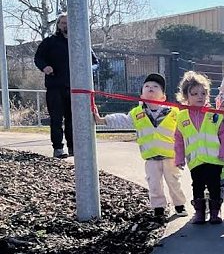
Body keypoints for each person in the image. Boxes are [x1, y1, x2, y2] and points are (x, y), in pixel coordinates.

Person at [92, 73, 186, 220]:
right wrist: (102, 120)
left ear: (163, 97)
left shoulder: (174, 112)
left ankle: (179, 205)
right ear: (141, 95)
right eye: (147, 86)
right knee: (154, 184)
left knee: (174, 181)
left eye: (156, 87)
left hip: (170, 156)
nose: (151, 88)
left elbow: (185, 128)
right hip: (151, 157)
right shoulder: (137, 113)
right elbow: (122, 120)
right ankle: (158, 207)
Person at [33, 14, 97, 158]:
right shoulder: (50, 42)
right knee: (56, 119)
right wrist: (45, 67)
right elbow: (38, 58)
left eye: (68, 23)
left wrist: (87, 71)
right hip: (55, 87)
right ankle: (58, 148)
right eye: (62, 23)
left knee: (72, 119)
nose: (65, 25)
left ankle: (73, 147)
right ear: (58, 25)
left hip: (75, 89)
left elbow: (95, 62)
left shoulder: (81, 42)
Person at [174, 72, 224, 225]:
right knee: (197, 185)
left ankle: (214, 212)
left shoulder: (214, 115)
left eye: (203, 93)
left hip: (214, 159)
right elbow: (178, 139)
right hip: (196, 160)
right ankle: (199, 213)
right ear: (186, 96)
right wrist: (179, 158)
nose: (200, 97)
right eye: (195, 93)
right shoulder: (181, 116)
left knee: (214, 185)